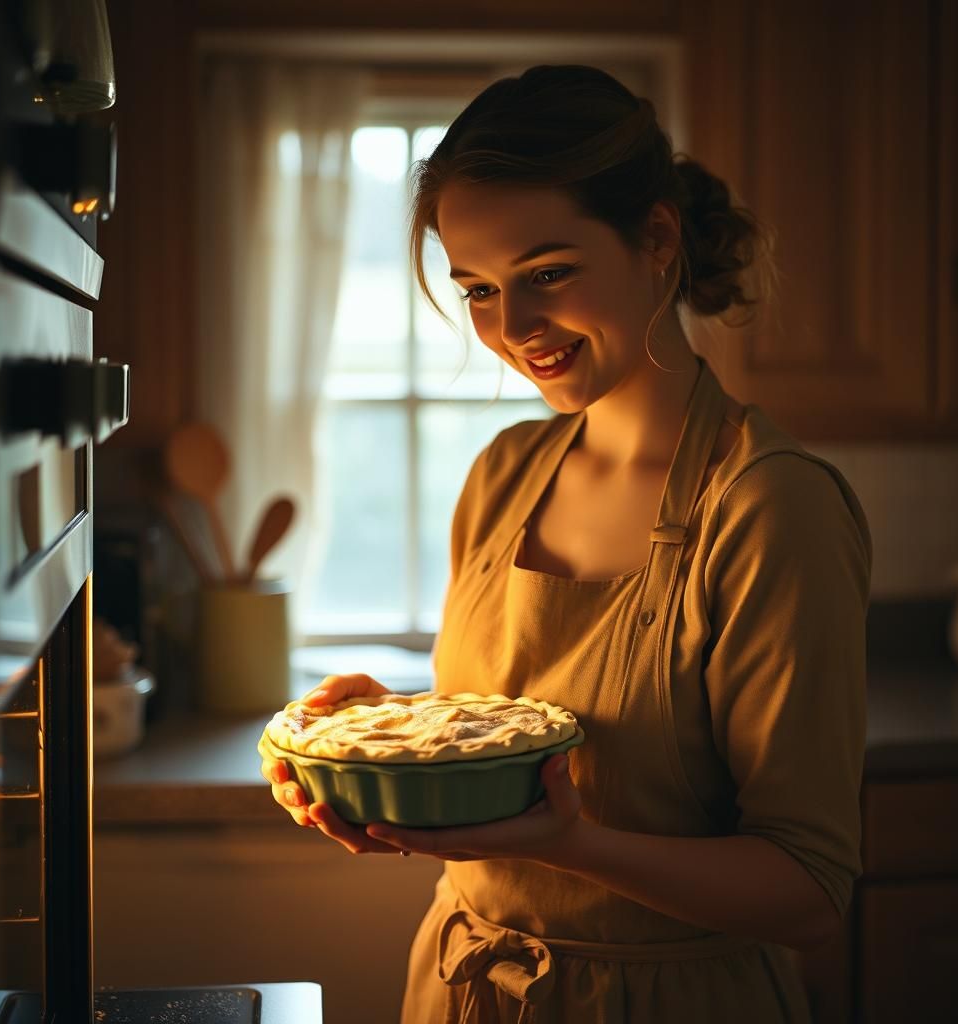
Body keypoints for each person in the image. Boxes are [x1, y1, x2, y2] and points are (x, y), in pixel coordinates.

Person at [260, 64, 872, 1023]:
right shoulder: (504, 473)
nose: (513, 330)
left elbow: (807, 892)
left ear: (656, 240)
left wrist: (567, 844)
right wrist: (401, 739)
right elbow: (520, 721)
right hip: (463, 989)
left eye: (547, 274)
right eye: (478, 290)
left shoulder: (768, 508)